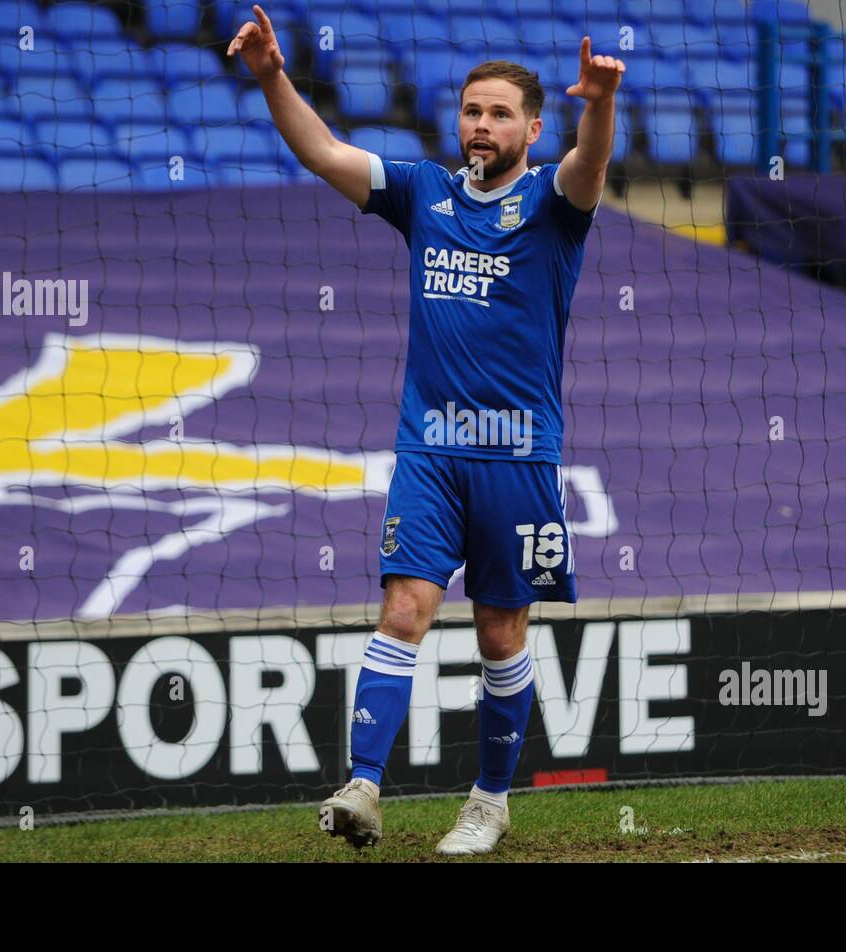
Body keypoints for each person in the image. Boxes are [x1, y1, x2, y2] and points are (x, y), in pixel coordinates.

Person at [229, 5, 622, 855]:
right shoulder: (424, 193)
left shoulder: (554, 203)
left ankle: (487, 802)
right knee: (403, 609)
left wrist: (599, 104)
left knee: (499, 633)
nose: (481, 125)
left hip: (519, 458)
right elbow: (325, 151)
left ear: (531, 126)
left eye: (499, 113)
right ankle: (363, 786)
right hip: (429, 453)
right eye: (472, 111)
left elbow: (592, 163)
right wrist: (271, 74)